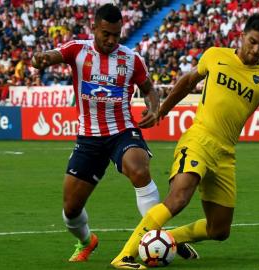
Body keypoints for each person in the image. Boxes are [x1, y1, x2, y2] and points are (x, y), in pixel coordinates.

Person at [111, 13, 259, 269]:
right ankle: (125, 255)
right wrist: (162, 110)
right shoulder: (215, 55)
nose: (256, 50)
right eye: (252, 41)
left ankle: (168, 238)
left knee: (219, 229)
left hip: (225, 154)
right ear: (241, 36)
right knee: (178, 198)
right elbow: (188, 82)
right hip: (199, 139)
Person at [31, 4, 162, 262]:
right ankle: (86, 240)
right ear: (94, 28)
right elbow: (51, 55)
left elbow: (149, 89)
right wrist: (40, 59)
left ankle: (158, 236)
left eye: (116, 35)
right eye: (106, 34)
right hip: (89, 137)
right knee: (70, 209)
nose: (112, 40)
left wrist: (154, 108)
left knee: (139, 169)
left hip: (122, 131)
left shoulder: (131, 58)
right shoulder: (78, 49)